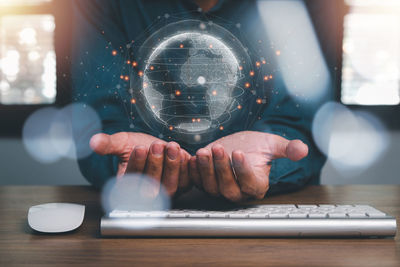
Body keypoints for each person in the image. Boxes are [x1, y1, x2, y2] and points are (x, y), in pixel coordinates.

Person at [71, 0, 340, 201]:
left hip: (274, 214)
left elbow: (307, 125)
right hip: (140, 214)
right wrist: (127, 163)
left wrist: (269, 165)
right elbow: (100, 122)